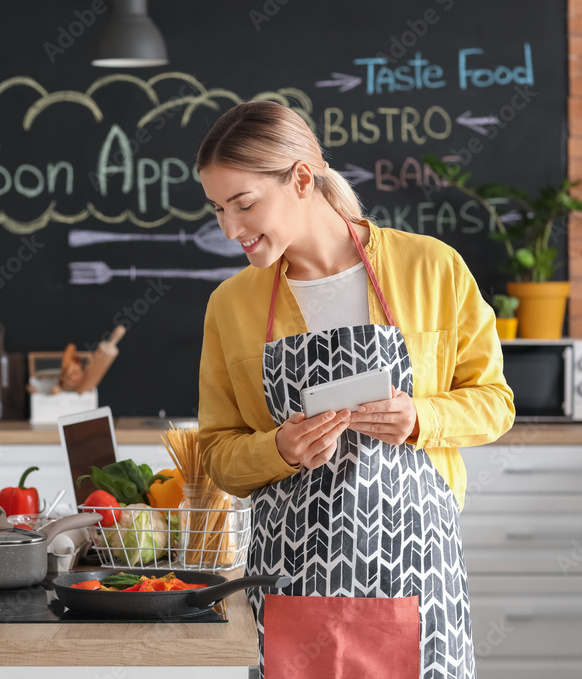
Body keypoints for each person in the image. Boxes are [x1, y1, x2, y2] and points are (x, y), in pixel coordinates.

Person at [196, 100, 514, 678]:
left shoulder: (431, 268)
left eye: (244, 204)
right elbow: (218, 454)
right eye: (218, 208)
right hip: (291, 577)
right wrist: (280, 450)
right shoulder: (232, 305)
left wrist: (420, 418)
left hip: (416, 574)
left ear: (299, 178)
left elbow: (495, 402)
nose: (230, 229)